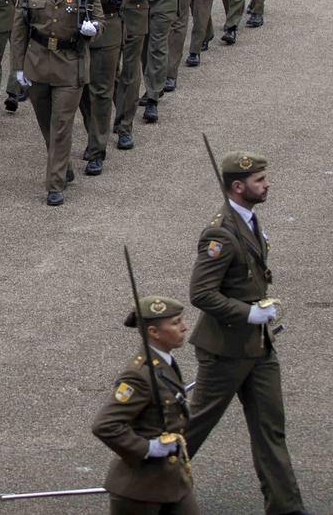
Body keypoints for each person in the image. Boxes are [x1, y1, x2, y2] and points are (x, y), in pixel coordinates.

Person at [185, 150, 306, 515]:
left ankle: (286, 507)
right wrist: (249, 312)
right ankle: (143, 487)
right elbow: (201, 293)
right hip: (225, 349)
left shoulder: (249, 220)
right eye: (259, 181)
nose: (267, 185)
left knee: (271, 428)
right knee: (195, 430)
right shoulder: (220, 232)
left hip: (259, 348)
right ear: (238, 187)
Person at [9, 0, 98, 206]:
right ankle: (63, 166)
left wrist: (92, 28)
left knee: (61, 125)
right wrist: (18, 68)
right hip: (37, 64)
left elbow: (99, 18)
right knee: (47, 124)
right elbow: (19, 30)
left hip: (70, 64)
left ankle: (54, 183)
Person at [92, 294, 200, 515]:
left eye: (182, 320)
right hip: (139, 490)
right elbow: (105, 425)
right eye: (175, 323)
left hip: (173, 481)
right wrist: (148, 448)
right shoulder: (139, 375)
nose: (185, 327)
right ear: (153, 332)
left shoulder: (163, 363)